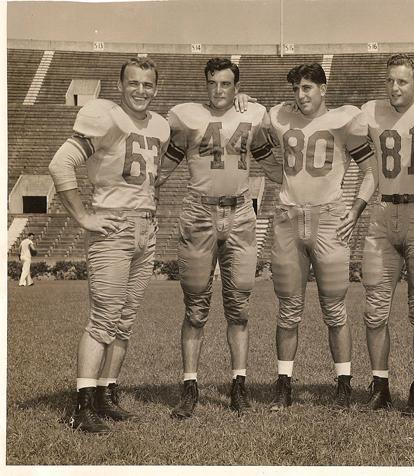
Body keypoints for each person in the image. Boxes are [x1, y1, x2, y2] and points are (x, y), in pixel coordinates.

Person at [48, 57, 169, 433]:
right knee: (103, 322)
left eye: (147, 84)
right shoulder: (105, 116)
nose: (140, 91)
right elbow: (60, 163)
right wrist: (84, 216)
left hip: (145, 230)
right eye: (133, 83)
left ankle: (104, 394)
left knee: (124, 322)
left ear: (156, 87)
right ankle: (81, 406)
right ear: (120, 86)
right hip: (112, 230)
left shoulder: (161, 126)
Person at [158, 57, 282, 418]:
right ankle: (190, 386)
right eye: (212, 83)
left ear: (236, 86)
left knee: (239, 306)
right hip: (199, 212)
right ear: (205, 84)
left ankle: (238, 385)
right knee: (195, 307)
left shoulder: (252, 115)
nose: (218, 90)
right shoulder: (185, 115)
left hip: (242, 213)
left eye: (226, 84)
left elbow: (273, 165)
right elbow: (163, 165)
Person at [265, 63, 377, 410]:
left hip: (329, 218)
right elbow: (258, 138)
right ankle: (284, 383)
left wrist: (355, 210)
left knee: (335, 309)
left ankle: (343, 384)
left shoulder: (344, 120)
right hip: (288, 217)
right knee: (288, 310)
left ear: (323, 89)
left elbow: (371, 170)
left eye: (308, 88)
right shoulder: (280, 116)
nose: (301, 95)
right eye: (296, 89)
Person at [360, 54, 414, 414]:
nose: (395, 88)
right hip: (383, 211)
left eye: (403, 82)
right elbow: (327, 117)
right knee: (374, 309)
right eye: (390, 81)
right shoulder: (371, 110)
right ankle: (379, 385)